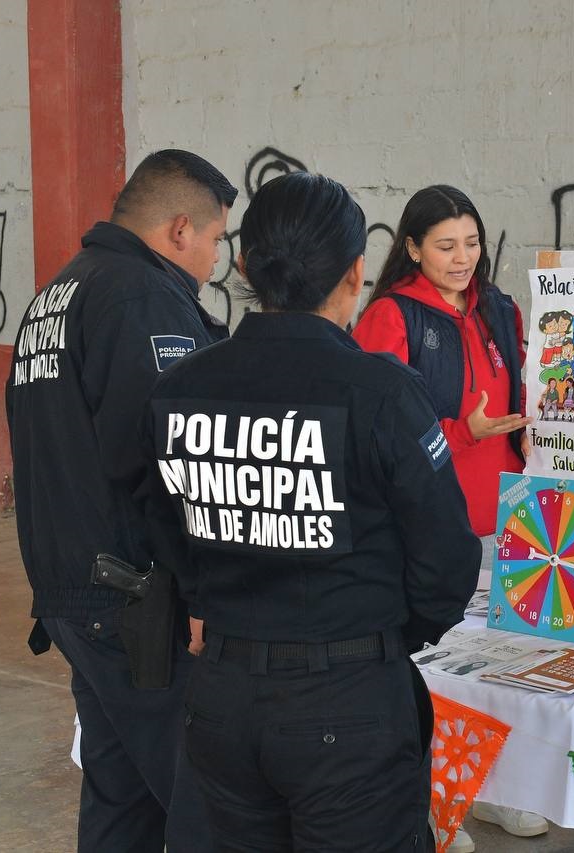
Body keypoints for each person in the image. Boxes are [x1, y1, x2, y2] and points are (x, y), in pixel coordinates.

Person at [138, 172, 481, 852]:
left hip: (223, 699)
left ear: (242, 265)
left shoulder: (179, 389)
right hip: (348, 698)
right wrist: (375, 638)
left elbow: (167, 533)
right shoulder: (383, 393)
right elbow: (447, 563)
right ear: (356, 274)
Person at [5, 149, 236, 852]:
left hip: (75, 593)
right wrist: (200, 589)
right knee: (206, 804)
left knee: (122, 799)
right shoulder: (141, 299)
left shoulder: (58, 295)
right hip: (136, 603)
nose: (215, 258)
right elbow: (165, 460)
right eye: (216, 239)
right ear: (177, 231)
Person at [353, 186, 545, 851]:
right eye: (445, 246)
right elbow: (379, 429)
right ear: (410, 247)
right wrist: (464, 431)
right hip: (435, 523)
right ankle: (435, 801)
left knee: (506, 665)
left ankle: (494, 790)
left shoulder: (500, 306)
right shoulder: (390, 316)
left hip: (514, 517)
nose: (462, 258)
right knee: (440, 666)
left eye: (471, 242)